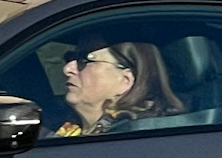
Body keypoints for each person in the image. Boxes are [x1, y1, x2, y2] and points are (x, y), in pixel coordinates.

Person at [53, 38, 186, 136]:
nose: (68, 69)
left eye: (84, 61)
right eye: (70, 58)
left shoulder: (140, 138)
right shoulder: (63, 130)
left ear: (125, 80)